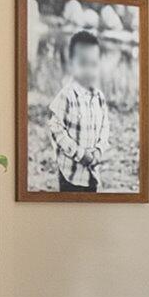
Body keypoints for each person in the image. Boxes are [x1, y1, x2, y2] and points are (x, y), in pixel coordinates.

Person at [46, 27, 111, 193]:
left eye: (93, 64)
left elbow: (105, 128)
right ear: (71, 63)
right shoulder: (66, 95)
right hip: (71, 173)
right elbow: (55, 129)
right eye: (83, 64)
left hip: (92, 172)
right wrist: (80, 154)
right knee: (69, 211)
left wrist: (98, 150)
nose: (88, 70)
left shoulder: (99, 97)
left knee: (91, 212)